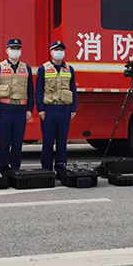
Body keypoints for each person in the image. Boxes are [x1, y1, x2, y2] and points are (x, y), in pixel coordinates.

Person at [0, 38, 34, 174]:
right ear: (7, 50)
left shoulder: (26, 68)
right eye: (12, 48)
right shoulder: (0, 67)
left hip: (20, 110)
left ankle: (15, 169)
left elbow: (30, 90)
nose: (15, 51)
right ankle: (3, 169)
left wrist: (30, 109)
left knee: (17, 142)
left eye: (17, 48)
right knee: (3, 142)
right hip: (4, 109)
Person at [36, 40, 77, 176]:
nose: (59, 52)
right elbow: (39, 90)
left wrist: (73, 109)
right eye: (56, 50)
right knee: (48, 141)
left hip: (64, 109)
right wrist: (40, 109)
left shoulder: (69, 69)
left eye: (61, 50)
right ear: (51, 52)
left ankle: (61, 168)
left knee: (62, 142)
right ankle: (46, 169)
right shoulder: (44, 68)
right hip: (49, 109)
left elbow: (73, 90)